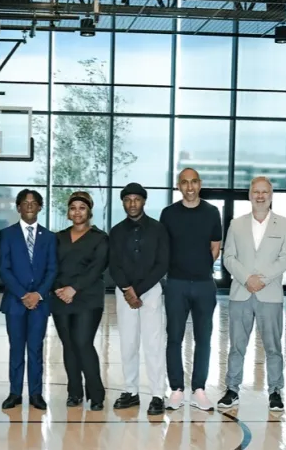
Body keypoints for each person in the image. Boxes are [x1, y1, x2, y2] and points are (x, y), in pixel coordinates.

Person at [218, 176, 286, 412]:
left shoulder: (285, 225)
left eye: (264, 192)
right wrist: (246, 278)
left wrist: (262, 279)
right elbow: (228, 256)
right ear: (250, 195)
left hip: (269, 295)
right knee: (237, 346)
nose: (260, 196)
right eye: (256, 192)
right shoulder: (236, 224)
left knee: (273, 346)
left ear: (271, 196)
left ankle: (275, 391)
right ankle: (232, 389)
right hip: (241, 292)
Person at [160, 168, 223, 412]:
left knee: (203, 338)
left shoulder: (211, 212)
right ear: (179, 186)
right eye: (184, 182)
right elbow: (164, 248)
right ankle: (176, 389)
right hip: (175, 284)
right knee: (174, 337)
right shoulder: (168, 214)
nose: (189, 187)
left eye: (194, 182)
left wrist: (202, 268)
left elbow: (215, 246)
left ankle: (199, 389)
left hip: (204, 285)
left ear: (200, 184)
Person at [109, 183, 170, 416]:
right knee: (128, 343)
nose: (132, 203)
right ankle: (131, 391)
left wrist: (140, 290)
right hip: (124, 293)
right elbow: (113, 264)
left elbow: (162, 263)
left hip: (151, 291)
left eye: (136, 199)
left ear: (144, 201)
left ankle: (157, 394)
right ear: (123, 202)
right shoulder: (116, 231)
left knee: (153, 344)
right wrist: (127, 289)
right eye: (128, 199)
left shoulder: (158, 229)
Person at [0, 189, 57, 411]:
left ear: (40, 206)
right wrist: (23, 294)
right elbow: (4, 269)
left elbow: (52, 270)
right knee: (16, 349)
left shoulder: (49, 237)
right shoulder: (7, 235)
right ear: (18, 207)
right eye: (25, 202)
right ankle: (14, 393)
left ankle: (35, 393)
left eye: (34, 202)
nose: (30, 206)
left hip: (39, 303)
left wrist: (38, 294)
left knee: (35, 349)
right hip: (15, 302)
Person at [52, 192, 110, 411]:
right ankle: (74, 392)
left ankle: (96, 394)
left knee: (83, 343)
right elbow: (51, 265)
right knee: (68, 345)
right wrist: (59, 288)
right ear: (68, 212)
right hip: (60, 297)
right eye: (73, 208)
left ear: (89, 211)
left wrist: (73, 288)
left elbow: (97, 267)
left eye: (82, 208)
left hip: (88, 298)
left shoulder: (100, 237)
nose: (77, 212)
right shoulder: (58, 237)